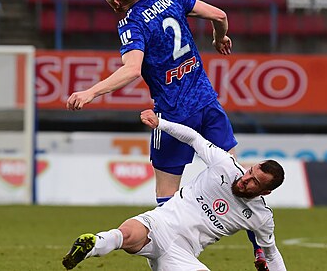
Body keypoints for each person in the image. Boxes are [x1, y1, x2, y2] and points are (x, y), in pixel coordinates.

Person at [65, 0, 267, 269]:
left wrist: (92, 91)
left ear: (116, 2)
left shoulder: (130, 22)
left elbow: (132, 69)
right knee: (237, 179)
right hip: (208, 105)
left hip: (172, 115)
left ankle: (170, 255)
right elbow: (219, 14)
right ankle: (260, 251)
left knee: (166, 195)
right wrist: (219, 37)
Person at [62, 109, 287, 271]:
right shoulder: (225, 165)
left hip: (181, 252)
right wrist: (160, 123)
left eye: (255, 182)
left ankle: (98, 243)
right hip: (160, 223)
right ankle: (92, 244)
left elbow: (272, 253)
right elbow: (193, 137)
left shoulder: (261, 217)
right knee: (127, 234)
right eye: (250, 172)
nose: (245, 179)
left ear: (265, 192)